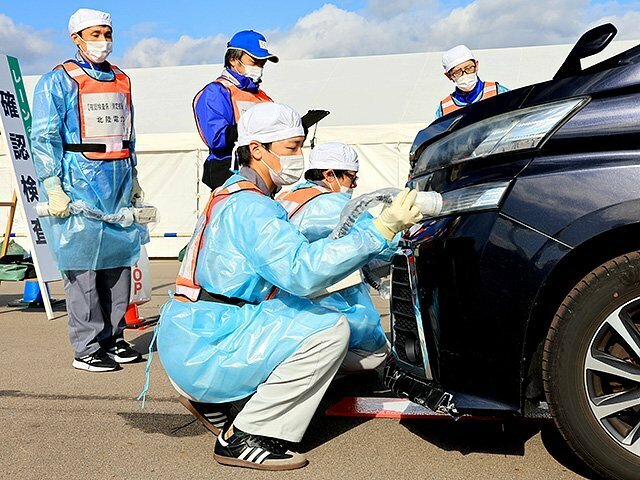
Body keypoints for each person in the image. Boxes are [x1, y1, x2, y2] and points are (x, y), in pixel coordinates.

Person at [158, 103, 422, 470]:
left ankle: (219, 401)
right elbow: (301, 272)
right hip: (211, 344)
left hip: (197, 332)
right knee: (331, 331)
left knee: (318, 320)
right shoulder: (253, 208)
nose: (299, 158)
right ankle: (246, 435)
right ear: (257, 150)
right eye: (291, 148)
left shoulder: (232, 195)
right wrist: (381, 230)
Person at [31, 8, 146, 372]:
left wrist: (135, 177)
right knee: (82, 268)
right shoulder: (58, 81)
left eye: (106, 33)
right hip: (77, 183)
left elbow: (128, 132)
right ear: (76, 38)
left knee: (118, 265)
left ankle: (113, 337)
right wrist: (52, 184)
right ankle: (86, 346)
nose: (102, 40)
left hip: (117, 180)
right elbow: (44, 135)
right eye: (94, 33)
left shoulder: (121, 80)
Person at [277, 142, 391, 372]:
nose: (354, 184)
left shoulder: (289, 197)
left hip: (282, 302)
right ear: (330, 174)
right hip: (318, 297)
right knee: (376, 353)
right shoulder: (332, 204)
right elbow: (376, 240)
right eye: (351, 177)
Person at [193, 30, 277, 190]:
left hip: (263, 174)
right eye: (254, 61)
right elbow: (217, 138)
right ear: (233, 60)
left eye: (262, 63)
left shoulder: (262, 97)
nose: (259, 67)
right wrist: (256, 126)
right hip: (230, 173)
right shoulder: (217, 91)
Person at [435, 45, 509, 119]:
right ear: (449, 76)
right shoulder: (444, 109)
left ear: (476, 66)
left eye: (469, 68)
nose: (465, 75)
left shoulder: (498, 92)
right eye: (457, 72)